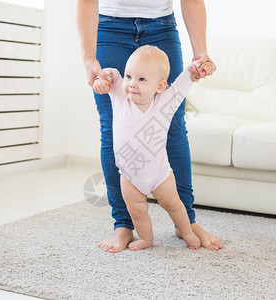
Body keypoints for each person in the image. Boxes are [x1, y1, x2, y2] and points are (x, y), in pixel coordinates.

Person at [76, 0, 224, 253]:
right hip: (110, 27)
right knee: (111, 128)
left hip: (162, 26)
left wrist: (201, 53)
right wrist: (89, 58)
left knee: (174, 126)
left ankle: (186, 222)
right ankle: (123, 224)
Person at [94, 45, 205, 250]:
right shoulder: (119, 96)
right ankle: (146, 238)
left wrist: (196, 66)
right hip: (129, 175)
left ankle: (187, 231)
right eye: (129, 76)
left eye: (142, 79)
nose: (132, 84)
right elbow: (111, 74)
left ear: (160, 86)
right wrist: (102, 80)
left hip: (159, 173)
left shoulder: (165, 102)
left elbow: (183, 82)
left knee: (173, 204)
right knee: (136, 210)